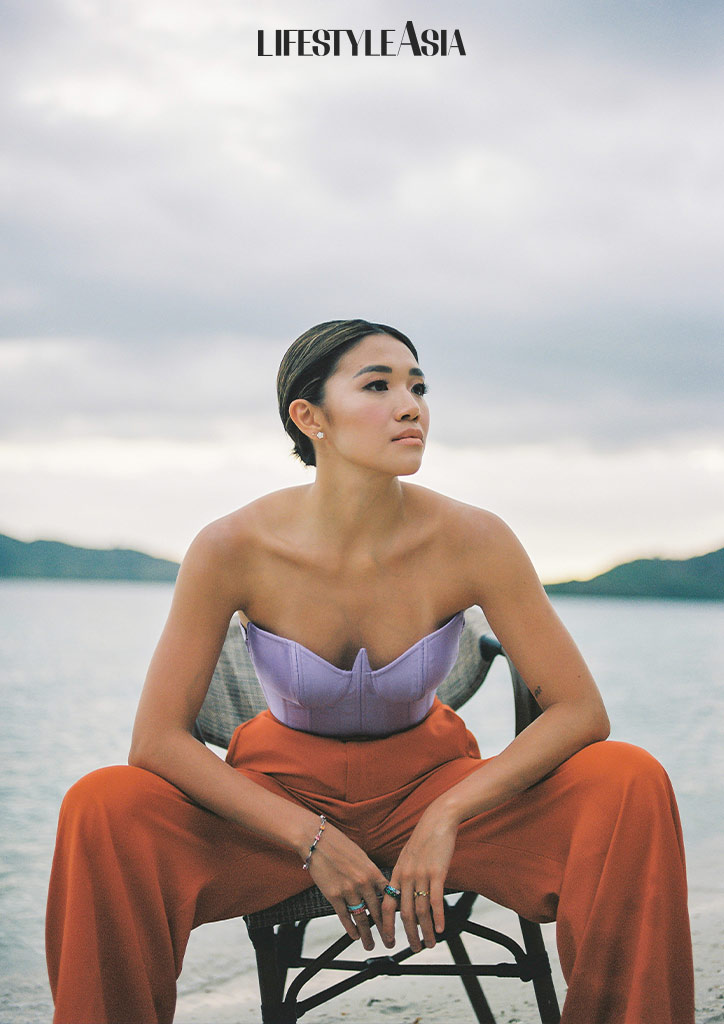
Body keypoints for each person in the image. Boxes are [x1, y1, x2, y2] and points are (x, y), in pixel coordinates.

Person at [46, 319, 694, 1024]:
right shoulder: (232, 546)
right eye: (378, 385)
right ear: (308, 416)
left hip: (432, 786)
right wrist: (310, 838)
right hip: (281, 801)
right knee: (103, 804)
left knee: (628, 779)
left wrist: (447, 814)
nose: (410, 404)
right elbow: (157, 742)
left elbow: (578, 711)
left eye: (417, 386)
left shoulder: (475, 538)